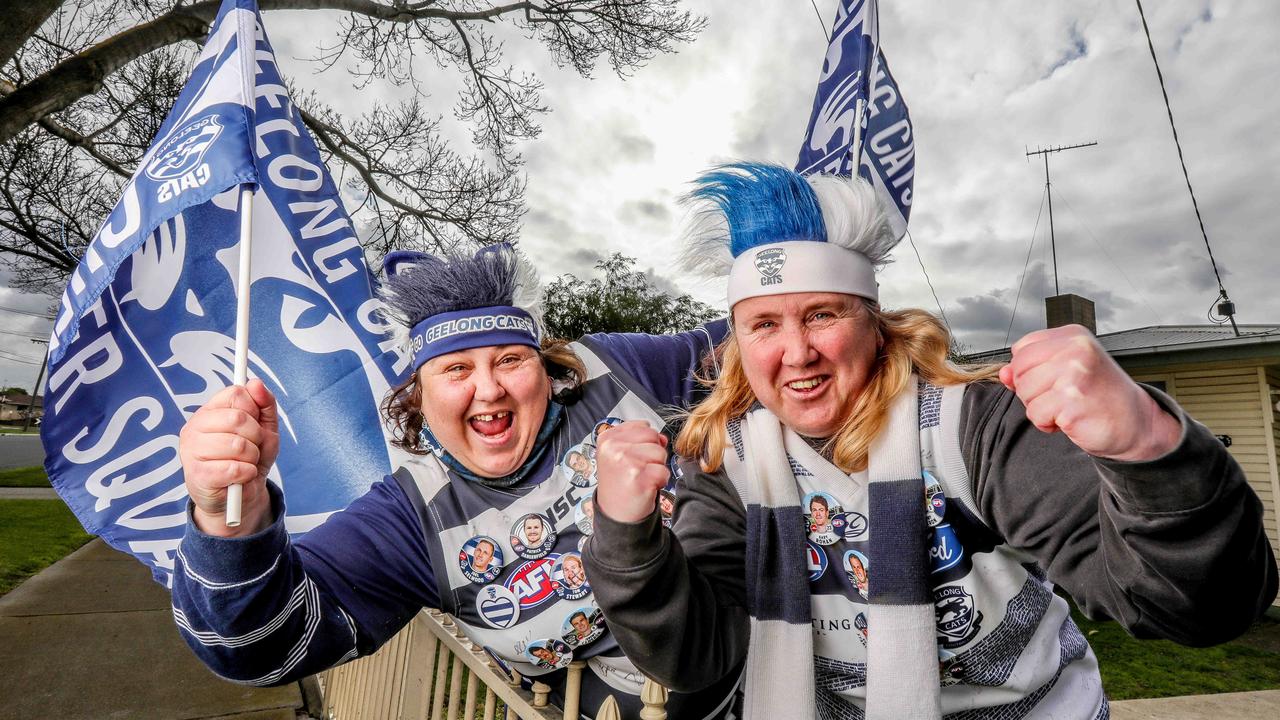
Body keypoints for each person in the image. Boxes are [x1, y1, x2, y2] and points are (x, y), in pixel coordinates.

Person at [582, 163, 1278, 719]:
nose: (797, 354)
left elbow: (1191, 608)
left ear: (873, 324)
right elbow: (700, 656)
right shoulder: (728, 463)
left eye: (822, 314)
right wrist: (625, 538)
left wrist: (1149, 449)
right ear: (739, 342)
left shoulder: (971, 425)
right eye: (764, 325)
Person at [171, 244, 737, 718]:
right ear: (420, 395)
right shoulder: (411, 517)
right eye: (456, 369)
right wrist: (230, 517)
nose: (488, 390)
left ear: (545, 370)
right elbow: (254, 646)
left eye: (511, 360)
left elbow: (753, 348)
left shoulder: (615, 372)